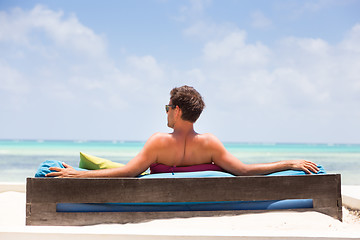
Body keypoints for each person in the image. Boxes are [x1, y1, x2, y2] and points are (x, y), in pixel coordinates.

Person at [46, 85, 319, 178]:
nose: (165, 112)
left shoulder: (157, 142)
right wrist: (290, 162)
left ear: (177, 111)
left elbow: (129, 172)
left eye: (167, 107)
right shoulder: (210, 143)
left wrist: (78, 173)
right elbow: (245, 171)